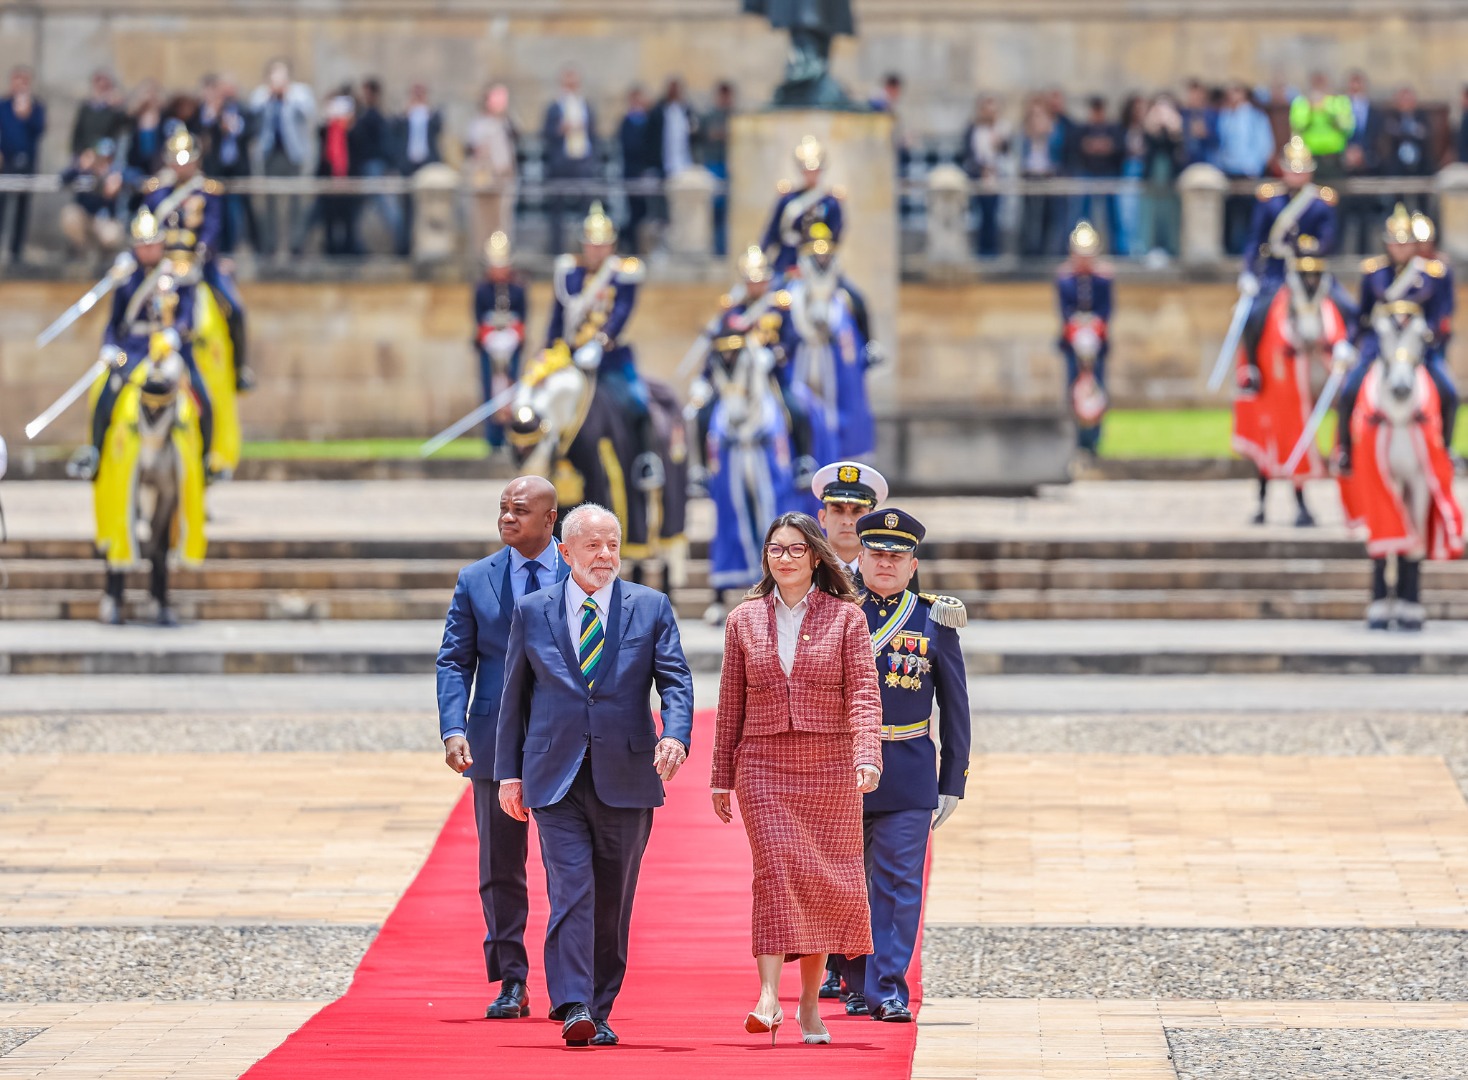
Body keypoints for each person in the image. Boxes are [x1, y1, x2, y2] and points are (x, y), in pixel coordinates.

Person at [496, 503, 694, 1048]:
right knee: (571, 889)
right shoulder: (533, 610)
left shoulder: (649, 607)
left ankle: (600, 1006)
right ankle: (574, 1003)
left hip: (627, 775)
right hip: (553, 775)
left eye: (613, 545)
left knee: (613, 898)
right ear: (566, 552)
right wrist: (508, 774)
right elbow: (515, 696)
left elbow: (675, 681)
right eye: (592, 546)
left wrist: (675, 735)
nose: (605, 556)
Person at [710, 510, 882, 1046]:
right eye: (775, 549)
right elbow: (728, 705)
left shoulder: (847, 618)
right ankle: (767, 997)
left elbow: (863, 693)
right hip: (762, 765)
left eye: (794, 549)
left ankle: (808, 1004)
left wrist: (866, 754)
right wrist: (721, 778)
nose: (784, 558)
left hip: (829, 768)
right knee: (776, 872)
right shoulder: (742, 620)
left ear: (814, 556)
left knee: (817, 887)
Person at [438, 475, 569, 1022]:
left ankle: (572, 981)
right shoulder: (475, 580)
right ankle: (512, 979)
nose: (507, 518)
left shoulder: (582, 572)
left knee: (570, 866)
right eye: (502, 509)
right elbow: (453, 658)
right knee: (499, 866)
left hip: (566, 741)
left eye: (520, 510)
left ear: (549, 520)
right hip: (494, 740)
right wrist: (453, 728)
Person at [838, 508, 970, 1022]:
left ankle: (888, 987)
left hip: (910, 765)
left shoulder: (933, 619)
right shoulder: (832, 611)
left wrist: (952, 779)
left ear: (913, 564)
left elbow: (955, 704)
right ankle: (852, 977)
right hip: (843, 767)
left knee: (898, 883)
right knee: (845, 880)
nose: (886, 563)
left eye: (897, 556)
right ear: (862, 558)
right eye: (877, 554)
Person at [546, 201, 661, 490]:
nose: (596, 250)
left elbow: (622, 312)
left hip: (608, 357)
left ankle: (645, 461)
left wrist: (601, 340)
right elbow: (557, 317)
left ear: (612, 246)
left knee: (636, 401)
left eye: (602, 245)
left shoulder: (623, 274)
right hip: (570, 357)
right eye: (591, 245)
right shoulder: (569, 274)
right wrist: (548, 351)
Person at [1338, 204, 1455, 474]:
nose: (1400, 249)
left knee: (1448, 390)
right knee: (1349, 390)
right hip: (1379, 344)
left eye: (1406, 244)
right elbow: (1362, 315)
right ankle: (1347, 452)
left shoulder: (1431, 274)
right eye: (1395, 244)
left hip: (1419, 347)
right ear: (1387, 244)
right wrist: (1348, 342)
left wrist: (1429, 334)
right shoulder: (1373, 273)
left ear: (1415, 245)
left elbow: (1440, 315)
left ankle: (1445, 451)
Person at [1238, 137, 1338, 377]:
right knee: (1255, 314)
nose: (1297, 176)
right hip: (1276, 271)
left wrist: (1308, 248)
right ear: (1283, 170)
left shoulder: (1321, 203)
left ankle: (1345, 358)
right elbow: (1255, 240)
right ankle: (1253, 368)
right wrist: (1248, 272)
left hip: (1312, 274)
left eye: (1302, 171)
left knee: (1347, 308)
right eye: (1293, 171)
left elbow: (1328, 241)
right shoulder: (1269, 201)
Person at [249, 59, 316, 257]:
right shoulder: (261, 96)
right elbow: (254, 113)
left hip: (292, 154)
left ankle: (296, 244)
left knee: (296, 202)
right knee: (269, 203)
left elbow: (307, 113)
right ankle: (270, 245)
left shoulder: (299, 94)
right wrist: (271, 97)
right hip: (270, 154)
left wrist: (285, 96)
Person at [1057, 220, 1113, 456]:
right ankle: (1075, 439)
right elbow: (1065, 309)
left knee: (1097, 389)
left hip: (1097, 344)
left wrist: (1094, 326)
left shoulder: (1103, 279)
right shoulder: (1065, 278)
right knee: (1073, 389)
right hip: (1073, 344)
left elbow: (1106, 309)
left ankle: (1094, 439)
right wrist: (1077, 326)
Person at [474, 231, 528, 451]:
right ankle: (492, 439)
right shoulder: (482, 290)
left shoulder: (517, 289)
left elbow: (522, 317)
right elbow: (479, 319)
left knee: (512, 392)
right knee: (490, 391)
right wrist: (491, 336)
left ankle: (511, 435)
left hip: (511, 347)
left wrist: (512, 335)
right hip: (490, 348)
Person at [760, 135, 842, 275]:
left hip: (820, 263)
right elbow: (772, 232)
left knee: (851, 295)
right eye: (807, 171)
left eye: (815, 171)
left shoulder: (830, 203)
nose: (811, 174)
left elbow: (836, 235)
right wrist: (761, 256)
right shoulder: (788, 200)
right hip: (788, 261)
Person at [199, 75, 259, 254]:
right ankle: (221, 247)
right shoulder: (212, 110)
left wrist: (232, 127)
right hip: (217, 170)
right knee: (218, 211)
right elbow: (203, 129)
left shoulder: (242, 110)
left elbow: (250, 131)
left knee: (242, 211)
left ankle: (250, 246)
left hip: (238, 168)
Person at [542, 66, 598, 256]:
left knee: (586, 209)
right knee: (557, 211)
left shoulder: (585, 106)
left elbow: (593, 134)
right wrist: (560, 130)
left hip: (582, 162)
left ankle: (587, 251)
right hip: (561, 164)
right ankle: (556, 252)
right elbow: (546, 134)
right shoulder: (555, 107)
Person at [1216, 84, 1277, 255]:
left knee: (1249, 215)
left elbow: (1265, 144)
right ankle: (1229, 250)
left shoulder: (1255, 117)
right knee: (1228, 215)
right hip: (1229, 171)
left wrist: (1254, 166)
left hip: (1248, 172)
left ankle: (1249, 250)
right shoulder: (1226, 115)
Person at [463, 83, 518, 255]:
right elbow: (470, 149)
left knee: (501, 223)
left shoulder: (505, 122)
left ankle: (500, 257)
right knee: (482, 223)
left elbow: (516, 137)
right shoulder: (477, 124)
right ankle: (483, 259)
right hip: (484, 180)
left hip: (503, 179)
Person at [811, 460, 888, 579]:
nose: (847, 521)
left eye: (857, 511)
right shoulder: (807, 570)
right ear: (823, 518)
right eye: (838, 510)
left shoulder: (889, 571)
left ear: (872, 520)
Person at [0, 66, 46, 261]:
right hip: (5, 162)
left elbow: (39, 130)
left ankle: (16, 252)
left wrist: (26, 115)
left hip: (27, 162)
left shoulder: (36, 107)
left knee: (22, 208)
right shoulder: (3, 105)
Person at [351, 78, 401, 254]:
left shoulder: (373, 117)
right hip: (371, 166)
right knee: (368, 207)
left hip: (373, 166)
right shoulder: (371, 115)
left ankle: (401, 243)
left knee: (384, 206)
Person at [395, 82, 443, 255]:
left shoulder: (431, 115)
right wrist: (405, 112)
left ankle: (427, 248)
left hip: (427, 166)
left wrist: (428, 110)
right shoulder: (405, 115)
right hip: (409, 166)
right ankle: (404, 247)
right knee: (406, 210)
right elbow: (395, 130)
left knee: (428, 210)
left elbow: (439, 128)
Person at [962, 96, 1012, 259]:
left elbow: (1007, 152)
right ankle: (982, 250)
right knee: (981, 214)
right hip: (978, 177)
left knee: (993, 214)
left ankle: (992, 250)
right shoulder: (972, 129)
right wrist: (980, 169)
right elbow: (968, 155)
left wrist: (999, 143)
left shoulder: (1002, 128)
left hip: (997, 177)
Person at [59, 139, 127, 259]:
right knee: (70, 214)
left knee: (112, 234)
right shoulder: (85, 171)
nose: (103, 162)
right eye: (100, 158)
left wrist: (118, 182)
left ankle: (105, 254)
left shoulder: (115, 173)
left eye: (108, 159)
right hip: (86, 219)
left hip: (104, 221)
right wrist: (79, 166)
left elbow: (134, 178)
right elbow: (63, 178)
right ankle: (82, 250)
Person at [1339, 71, 1382, 255]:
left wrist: (1364, 154)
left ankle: (1363, 254)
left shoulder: (1374, 111)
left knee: (1366, 215)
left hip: (1367, 167)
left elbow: (1377, 137)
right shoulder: (1340, 110)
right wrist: (1346, 153)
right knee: (1341, 214)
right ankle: (1338, 253)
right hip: (1344, 167)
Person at [618, 86, 660, 255]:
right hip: (632, 172)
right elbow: (630, 147)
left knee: (645, 213)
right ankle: (630, 244)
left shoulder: (649, 120)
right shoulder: (627, 122)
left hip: (645, 172)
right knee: (634, 212)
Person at [1289, 71, 1353, 177]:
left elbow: (1346, 127)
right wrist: (1310, 108)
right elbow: (1298, 126)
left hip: (1333, 157)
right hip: (1309, 157)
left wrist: (1327, 108)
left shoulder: (1340, 101)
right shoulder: (1301, 102)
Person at [699, 81, 735, 256]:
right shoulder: (710, 116)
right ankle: (716, 248)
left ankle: (723, 248)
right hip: (714, 166)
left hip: (729, 168)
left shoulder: (734, 116)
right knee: (715, 209)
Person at [71, 69, 126, 158]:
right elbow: (78, 132)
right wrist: (78, 153)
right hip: (86, 154)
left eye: (105, 86)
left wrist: (119, 107)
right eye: (98, 83)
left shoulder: (114, 109)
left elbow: (123, 127)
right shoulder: (86, 107)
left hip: (107, 155)